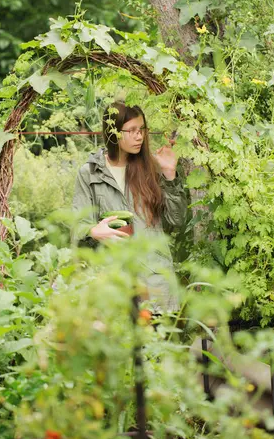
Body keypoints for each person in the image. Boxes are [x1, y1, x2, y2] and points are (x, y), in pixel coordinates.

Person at [71, 102, 187, 312]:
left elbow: (176, 221)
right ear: (113, 132)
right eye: (132, 130)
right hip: (112, 286)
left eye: (141, 129)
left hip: (155, 284)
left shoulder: (152, 168)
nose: (139, 136)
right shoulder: (90, 173)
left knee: (158, 344)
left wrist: (170, 174)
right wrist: (92, 230)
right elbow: (77, 225)